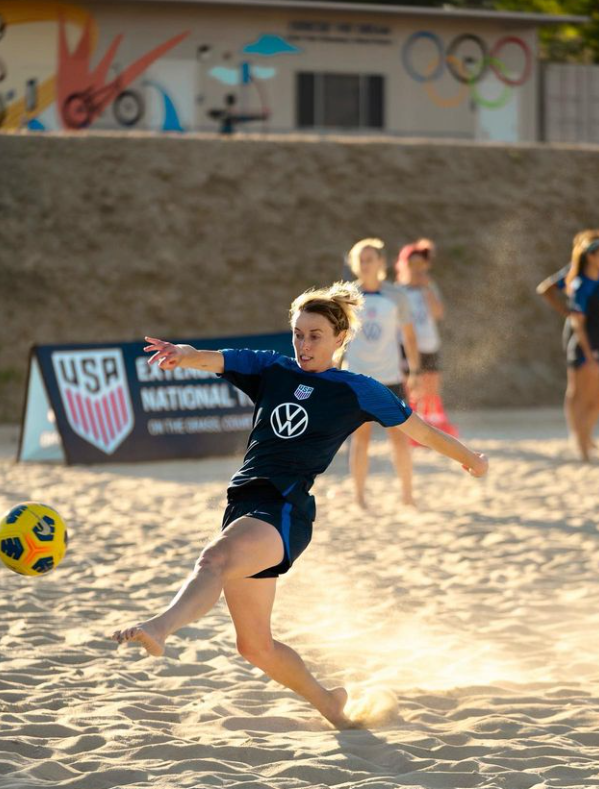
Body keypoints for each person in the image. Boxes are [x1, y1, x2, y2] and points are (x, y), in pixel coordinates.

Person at [111, 282, 488, 729]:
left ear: (340, 339)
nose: (304, 344)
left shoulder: (357, 390)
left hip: (285, 508)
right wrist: (183, 354)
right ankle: (330, 703)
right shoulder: (272, 369)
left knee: (214, 558)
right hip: (244, 503)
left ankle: (159, 627)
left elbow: (420, 431)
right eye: (297, 333)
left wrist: (469, 459)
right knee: (254, 646)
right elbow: (215, 358)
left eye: (315, 336)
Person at [344, 238, 421, 508]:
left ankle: (408, 495)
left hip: (390, 377)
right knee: (361, 438)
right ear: (355, 264)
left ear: (381, 263)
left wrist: (415, 370)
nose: (365, 264)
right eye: (361, 260)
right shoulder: (347, 297)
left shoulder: (395, 296)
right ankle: (360, 497)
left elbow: (410, 337)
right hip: (357, 378)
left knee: (400, 437)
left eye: (370, 259)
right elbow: (337, 337)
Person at [536, 229, 599, 455]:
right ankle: (580, 438)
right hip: (581, 338)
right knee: (579, 393)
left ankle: (583, 436)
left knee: (589, 396)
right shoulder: (578, 276)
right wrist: (565, 311)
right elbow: (545, 289)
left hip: (589, 335)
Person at [564, 238, 599, 461]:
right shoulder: (581, 284)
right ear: (591, 256)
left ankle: (585, 439)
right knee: (581, 397)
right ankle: (581, 444)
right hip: (584, 346)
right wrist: (589, 354)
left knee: (595, 400)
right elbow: (577, 323)